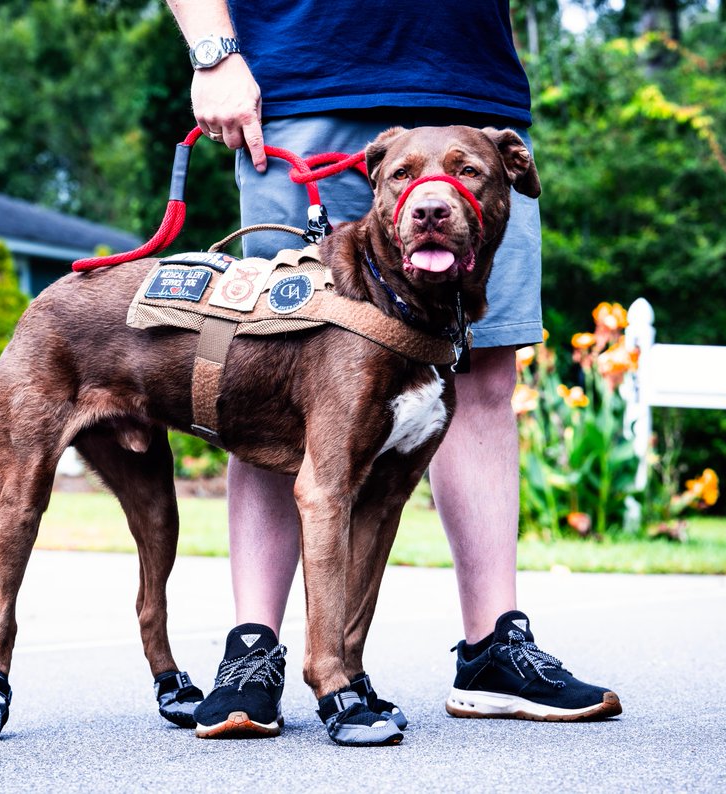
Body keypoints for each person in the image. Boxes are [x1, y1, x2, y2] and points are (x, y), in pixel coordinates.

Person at [161, 0, 622, 742]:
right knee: (278, 382)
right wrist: (214, 53)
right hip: (302, 89)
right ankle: (254, 650)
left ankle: (493, 650)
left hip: (474, 91)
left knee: (482, 382)